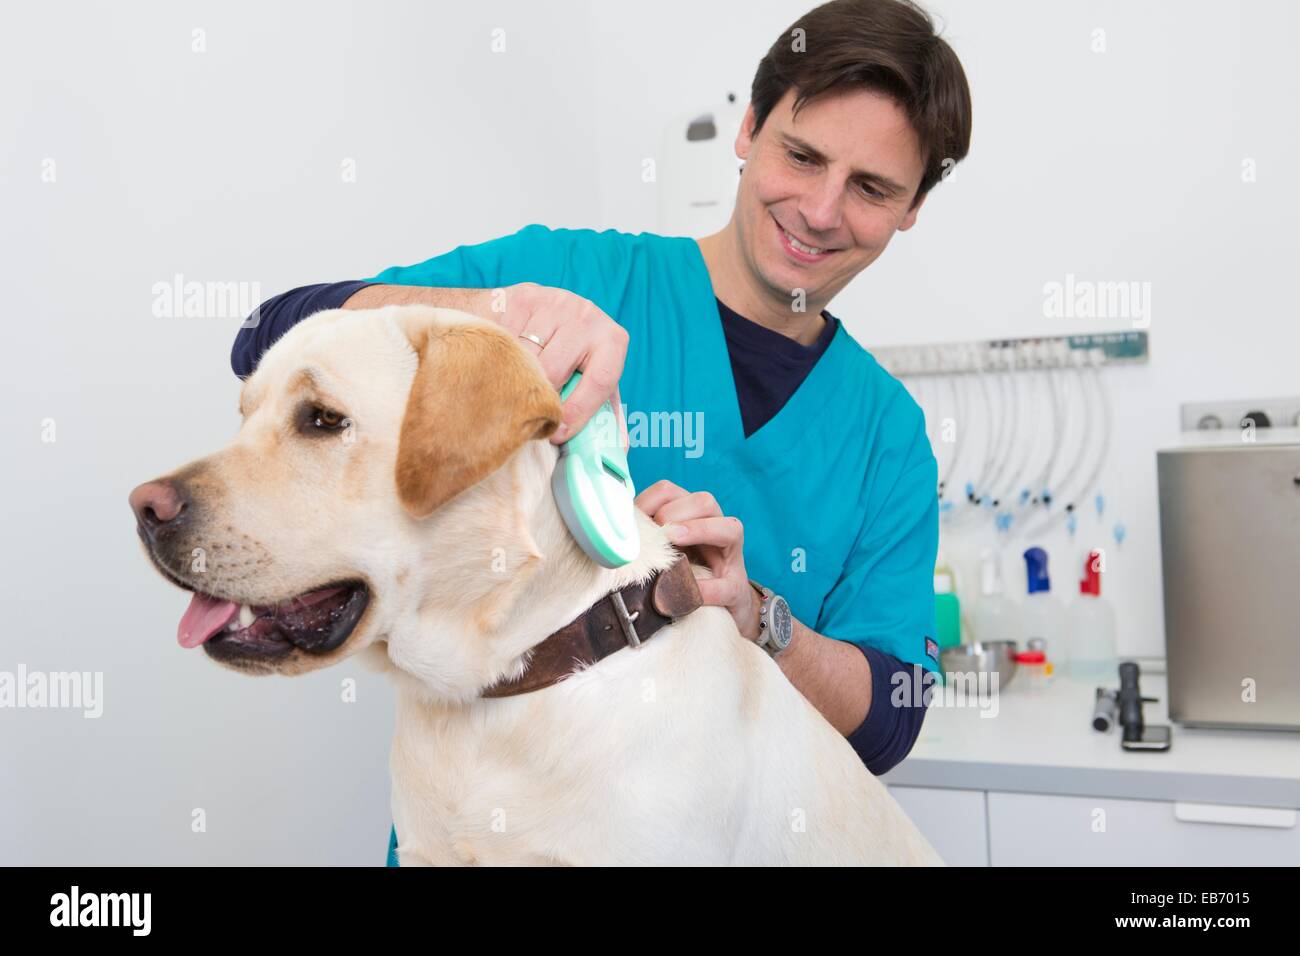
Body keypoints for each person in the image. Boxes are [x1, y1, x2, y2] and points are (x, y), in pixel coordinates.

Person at [230, 0, 972, 867]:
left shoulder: (886, 435)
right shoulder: (570, 278)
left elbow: (890, 722)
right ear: (749, 128)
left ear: (912, 208)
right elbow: (265, 330)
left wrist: (759, 618)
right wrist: (497, 313)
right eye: (800, 156)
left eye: (872, 188)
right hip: (463, 830)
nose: (818, 208)